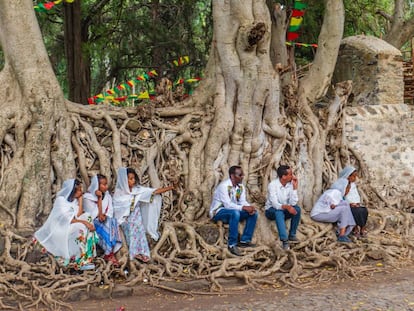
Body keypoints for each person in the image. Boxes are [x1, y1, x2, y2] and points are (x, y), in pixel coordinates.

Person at [34, 179, 98, 270]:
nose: (82, 192)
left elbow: (78, 215)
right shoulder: (61, 201)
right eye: (79, 190)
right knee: (81, 227)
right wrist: (85, 223)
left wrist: (80, 200)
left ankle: (86, 258)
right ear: (72, 191)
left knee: (87, 217)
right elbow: (68, 220)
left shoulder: (74, 201)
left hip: (72, 226)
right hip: (60, 228)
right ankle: (79, 261)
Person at [113, 167, 173, 263]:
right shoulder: (119, 193)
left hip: (137, 218)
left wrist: (170, 188)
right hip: (125, 220)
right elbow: (117, 208)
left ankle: (143, 253)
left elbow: (153, 192)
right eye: (130, 179)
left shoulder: (138, 190)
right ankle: (134, 253)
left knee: (140, 232)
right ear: (124, 180)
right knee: (131, 230)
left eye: (133, 178)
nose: (132, 181)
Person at [209, 165, 258, 256]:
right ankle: (232, 244)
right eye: (240, 175)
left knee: (253, 214)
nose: (242, 176)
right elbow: (227, 205)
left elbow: (242, 201)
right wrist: (243, 208)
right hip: (219, 212)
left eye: (242, 174)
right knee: (235, 214)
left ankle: (245, 240)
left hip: (233, 211)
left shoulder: (240, 187)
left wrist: (249, 207)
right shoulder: (224, 186)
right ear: (232, 176)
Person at [83, 174, 122, 267]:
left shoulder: (108, 196)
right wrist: (99, 199)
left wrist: (105, 215)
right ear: (97, 186)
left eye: (106, 184)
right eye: (103, 185)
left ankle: (110, 252)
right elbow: (92, 215)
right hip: (93, 223)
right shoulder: (87, 198)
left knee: (111, 222)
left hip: (105, 220)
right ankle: (108, 254)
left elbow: (110, 210)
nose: (106, 187)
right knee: (104, 225)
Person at [265, 165, 301, 250]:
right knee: (278, 212)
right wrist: (287, 207)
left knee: (297, 209)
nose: (292, 176)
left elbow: (293, 203)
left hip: (285, 209)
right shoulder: (273, 185)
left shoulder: (291, 185)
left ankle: (292, 235)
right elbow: (275, 204)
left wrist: (295, 188)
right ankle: (284, 240)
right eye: (290, 174)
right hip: (271, 210)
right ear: (284, 176)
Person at [310, 178, 356, 243]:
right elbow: (330, 201)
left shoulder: (337, 193)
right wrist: (332, 204)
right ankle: (341, 235)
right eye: (347, 188)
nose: (348, 191)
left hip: (324, 213)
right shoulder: (335, 192)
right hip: (318, 214)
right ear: (343, 187)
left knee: (345, 204)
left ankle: (345, 230)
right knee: (344, 208)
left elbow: (338, 203)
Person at [339, 165, 369, 237]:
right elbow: (341, 196)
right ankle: (354, 228)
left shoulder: (353, 185)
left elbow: (355, 196)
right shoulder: (341, 184)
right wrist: (349, 203)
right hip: (346, 205)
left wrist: (357, 203)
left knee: (364, 210)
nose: (355, 178)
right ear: (347, 176)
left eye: (355, 176)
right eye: (353, 176)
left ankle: (362, 228)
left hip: (355, 205)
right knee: (356, 211)